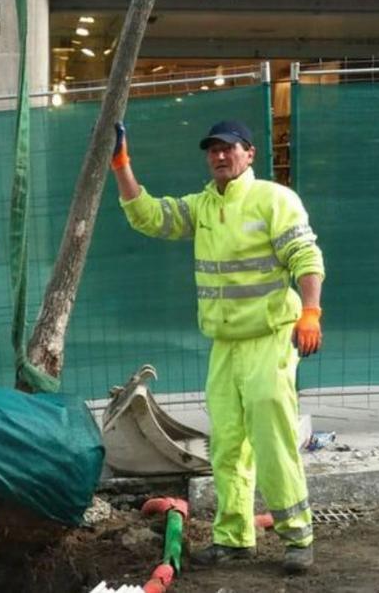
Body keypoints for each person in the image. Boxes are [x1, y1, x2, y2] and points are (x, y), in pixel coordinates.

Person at [112, 120, 325, 574]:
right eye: (212, 150)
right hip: (226, 345)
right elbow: (149, 216)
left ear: (249, 154)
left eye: (228, 149)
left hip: (270, 336)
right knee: (227, 444)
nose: (219, 156)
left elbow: (306, 256)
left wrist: (311, 311)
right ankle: (233, 538)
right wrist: (122, 166)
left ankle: (297, 536)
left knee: (272, 438)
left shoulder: (273, 200)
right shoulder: (203, 206)